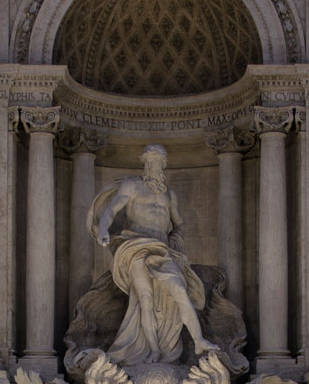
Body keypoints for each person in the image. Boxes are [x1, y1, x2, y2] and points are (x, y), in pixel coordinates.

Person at [89, 144, 217, 365]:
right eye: (149, 162)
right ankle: (154, 350)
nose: (152, 166)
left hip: (162, 250)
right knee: (144, 298)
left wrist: (176, 239)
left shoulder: (169, 195)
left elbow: (179, 223)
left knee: (179, 289)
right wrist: (102, 228)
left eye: (157, 162)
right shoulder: (132, 186)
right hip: (135, 246)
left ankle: (198, 340)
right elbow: (111, 209)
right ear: (144, 164)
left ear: (163, 165)